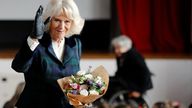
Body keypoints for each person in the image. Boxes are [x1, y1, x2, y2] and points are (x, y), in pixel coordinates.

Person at [11, 0, 84, 107]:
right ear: (49, 20)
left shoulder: (75, 44)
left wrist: (83, 95)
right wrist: (33, 38)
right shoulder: (36, 43)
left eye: (67, 21)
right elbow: (18, 66)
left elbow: (74, 78)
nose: (62, 26)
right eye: (57, 20)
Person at [105, 35, 153, 106]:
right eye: (115, 48)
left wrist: (140, 91)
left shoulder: (133, 55)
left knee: (110, 86)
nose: (115, 50)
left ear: (125, 47)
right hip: (124, 80)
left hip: (135, 84)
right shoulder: (120, 55)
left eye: (118, 48)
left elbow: (145, 73)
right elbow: (120, 71)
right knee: (105, 80)